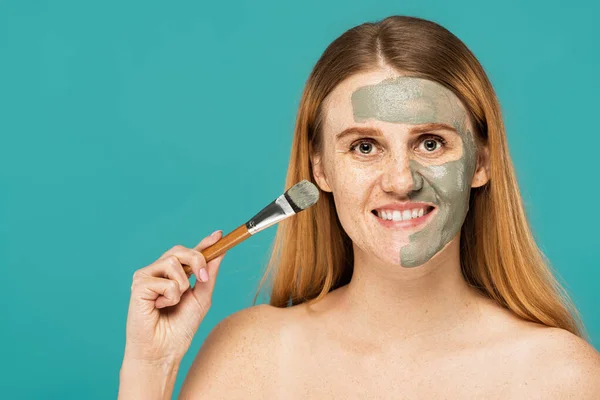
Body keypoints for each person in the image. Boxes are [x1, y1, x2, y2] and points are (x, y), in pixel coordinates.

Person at [118, 15, 600, 399]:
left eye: (430, 143)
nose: (401, 180)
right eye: (364, 147)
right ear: (320, 170)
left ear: (481, 163)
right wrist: (151, 367)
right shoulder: (248, 355)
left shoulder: (561, 377)